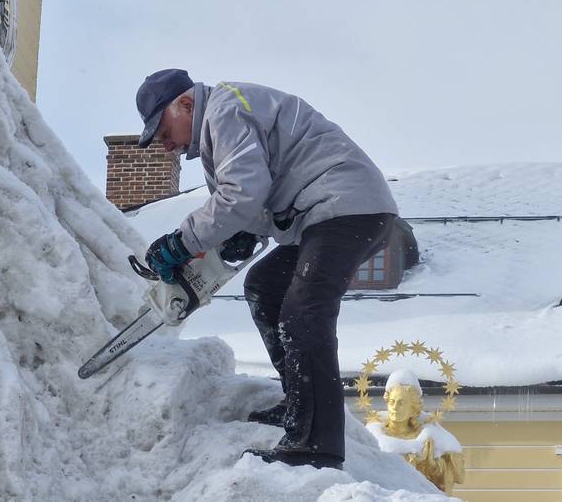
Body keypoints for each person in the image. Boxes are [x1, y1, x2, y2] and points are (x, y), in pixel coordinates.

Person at [138, 69, 398, 469]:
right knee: (265, 285)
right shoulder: (222, 120)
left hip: (346, 204)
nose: (165, 144)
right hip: (325, 211)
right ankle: (299, 404)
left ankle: (317, 445)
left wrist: (181, 242)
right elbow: (258, 190)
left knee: (303, 311)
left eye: (162, 129)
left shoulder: (224, 111)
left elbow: (241, 192)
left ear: (186, 104)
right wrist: (245, 230)